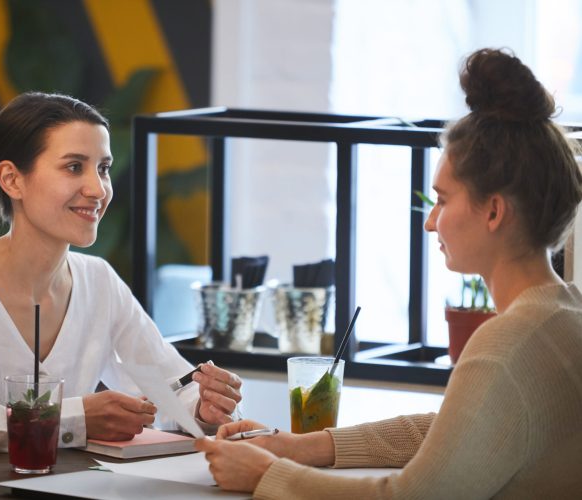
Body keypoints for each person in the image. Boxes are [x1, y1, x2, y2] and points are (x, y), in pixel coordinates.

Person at [196, 48, 582, 498]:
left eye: (442, 199)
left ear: (494, 211)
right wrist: (298, 447)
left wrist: (266, 476)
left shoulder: (508, 345)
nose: (430, 221)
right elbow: (449, 433)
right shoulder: (563, 313)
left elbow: (406, 497)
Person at [0, 92, 243, 496]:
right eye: (74, 167)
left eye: (104, 169)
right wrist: (72, 419)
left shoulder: (99, 281)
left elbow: (170, 384)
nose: (98, 189)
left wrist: (203, 407)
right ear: (12, 179)